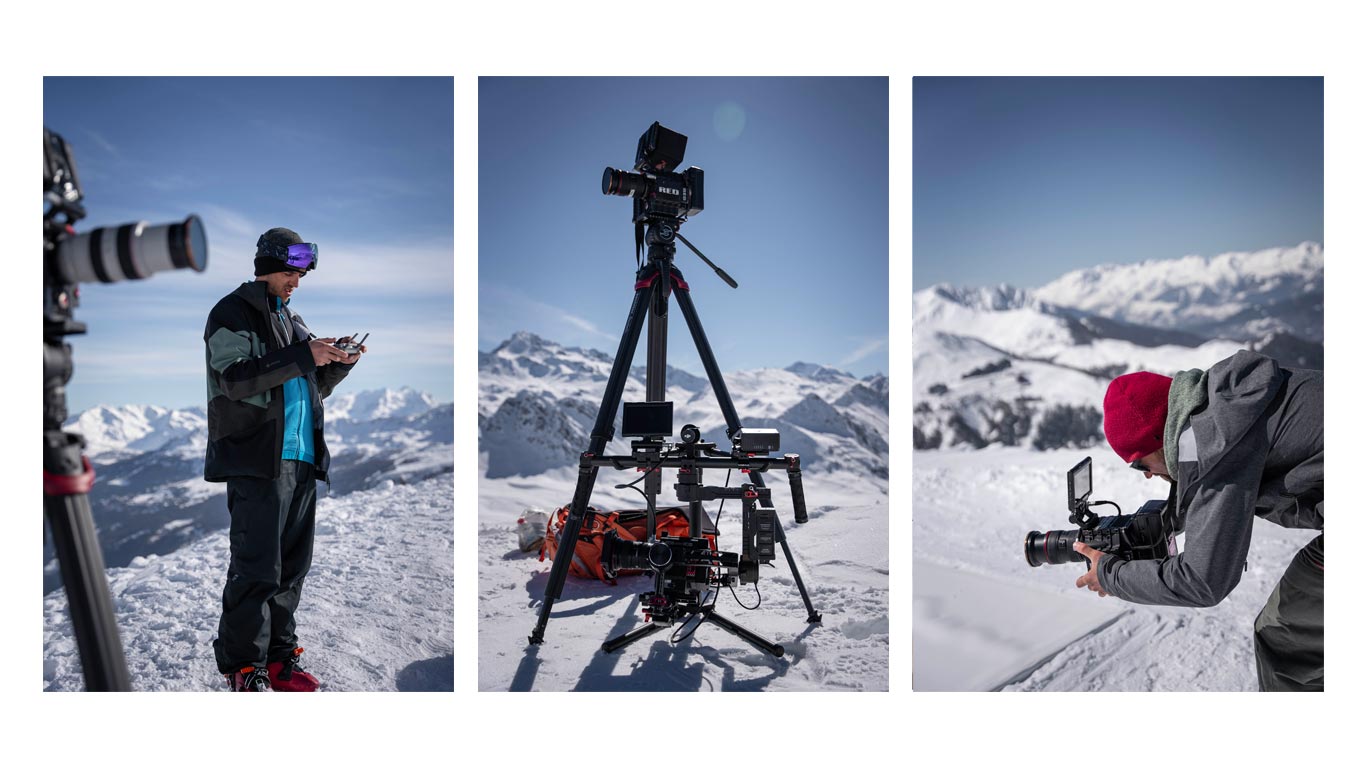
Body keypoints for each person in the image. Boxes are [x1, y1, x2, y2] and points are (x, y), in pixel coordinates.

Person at [1074, 350, 1322, 691]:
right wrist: (1147, 526)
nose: (1147, 476)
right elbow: (1211, 482)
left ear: (1157, 439)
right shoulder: (1226, 405)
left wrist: (1111, 576)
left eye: (1140, 464)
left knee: (1286, 634)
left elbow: (1203, 582)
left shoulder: (1211, 444)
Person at [203, 227, 367, 692]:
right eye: (291, 272)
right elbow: (234, 379)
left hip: (301, 459)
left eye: (301, 274)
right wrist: (302, 354)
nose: (297, 281)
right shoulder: (233, 312)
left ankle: (279, 660)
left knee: (292, 570)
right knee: (256, 569)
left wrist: (336, 364)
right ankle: (244, 667)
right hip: (258, 460)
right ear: (267, 266)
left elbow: (306, 387)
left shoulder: (292, 321)